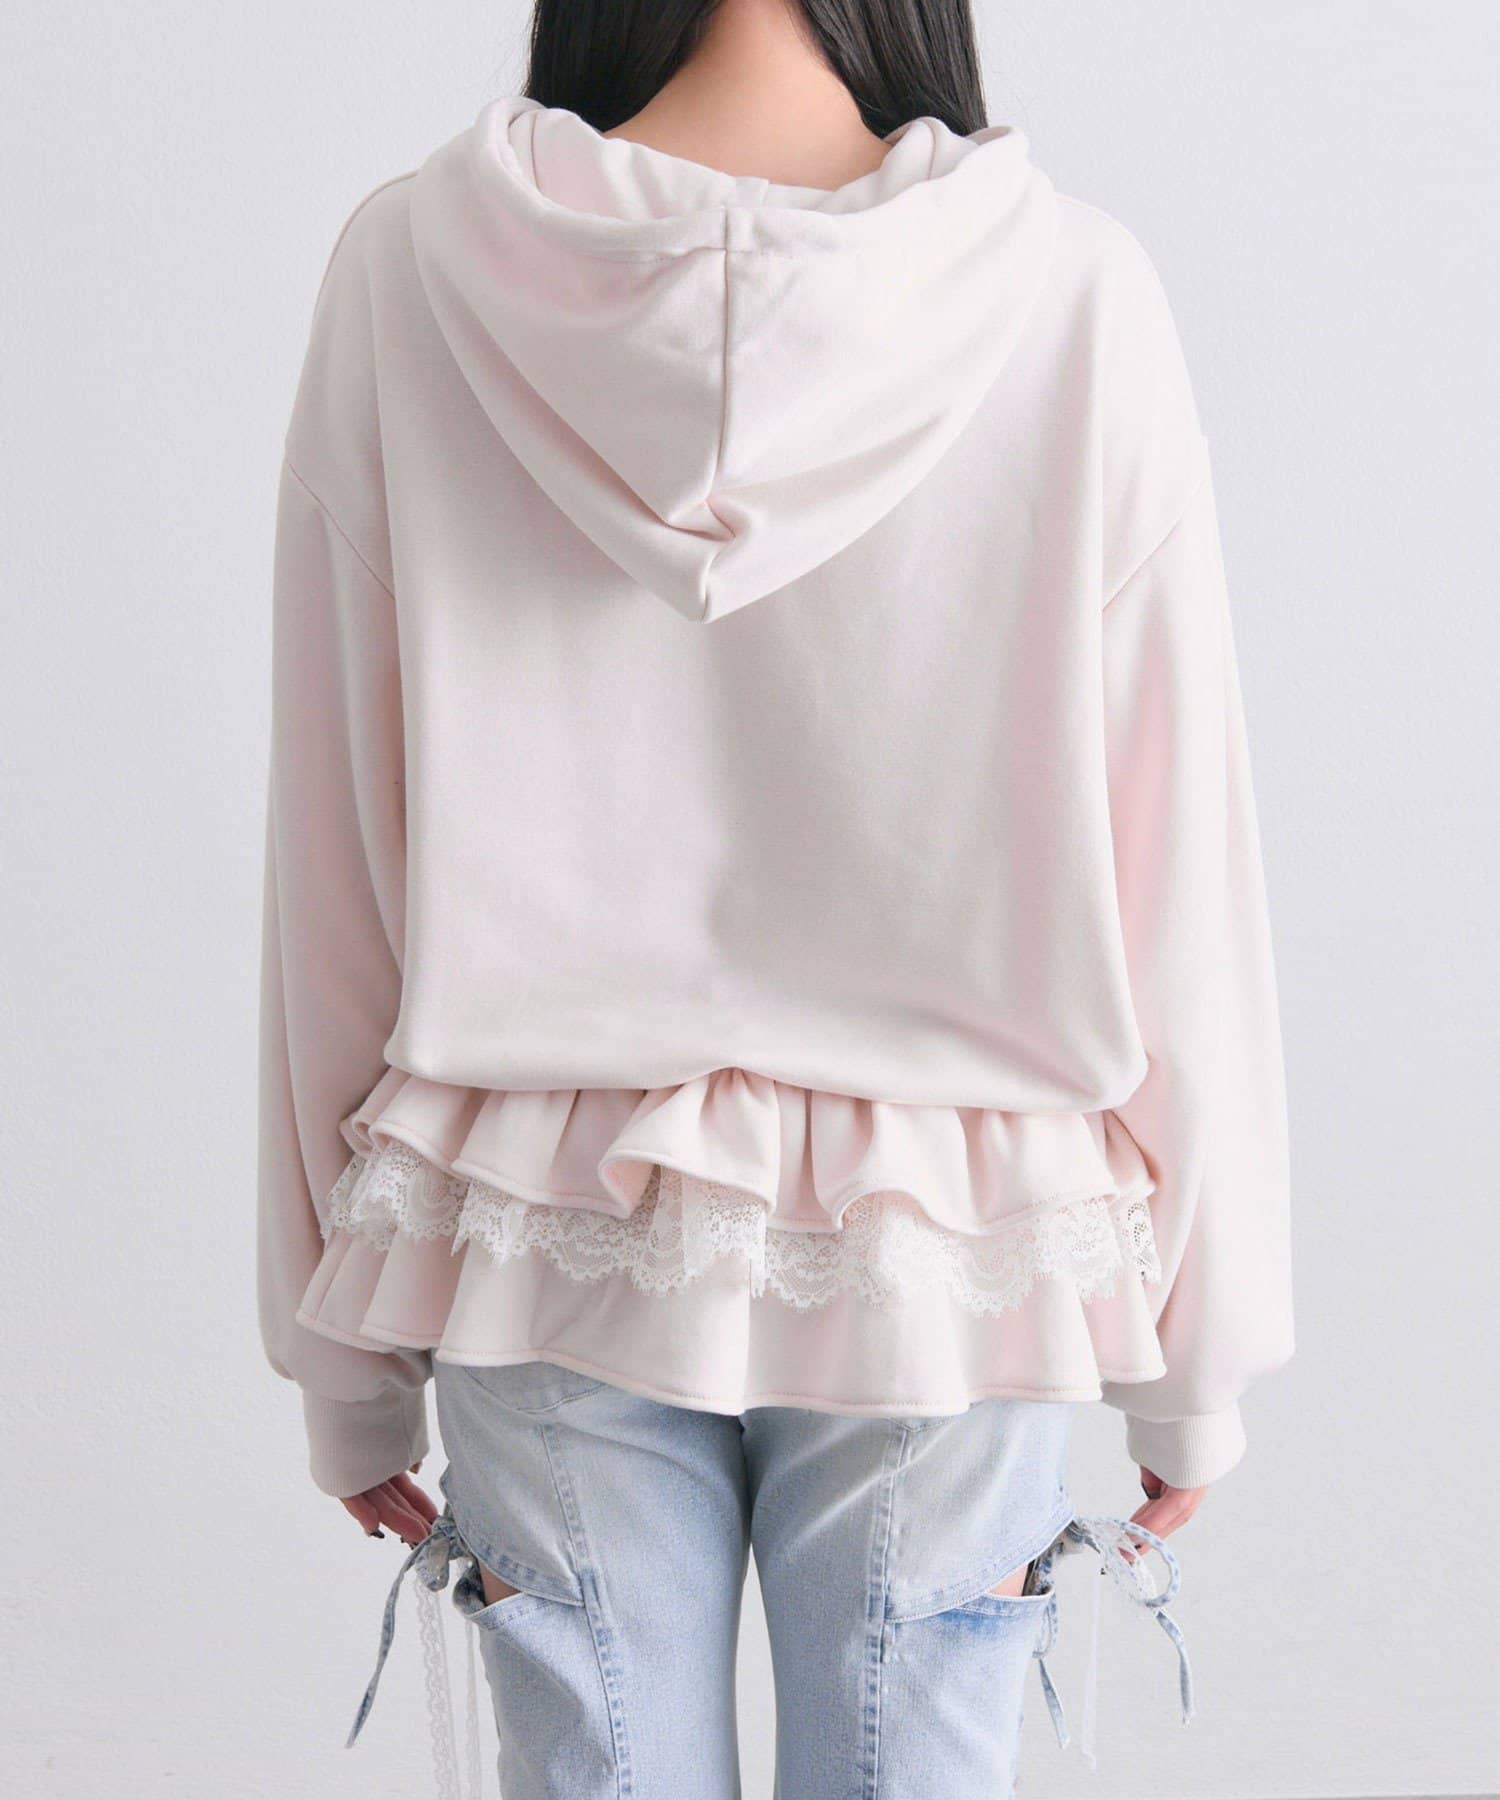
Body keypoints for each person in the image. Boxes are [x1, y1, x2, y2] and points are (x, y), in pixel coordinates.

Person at [257, 0, 1293, 1792]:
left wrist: (336, 1352)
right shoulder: (1068, 287)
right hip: (956, 1235)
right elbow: (1175, 867)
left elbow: (341, 836)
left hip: (539, 1215)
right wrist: (1199, 1355)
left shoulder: (414, 268)